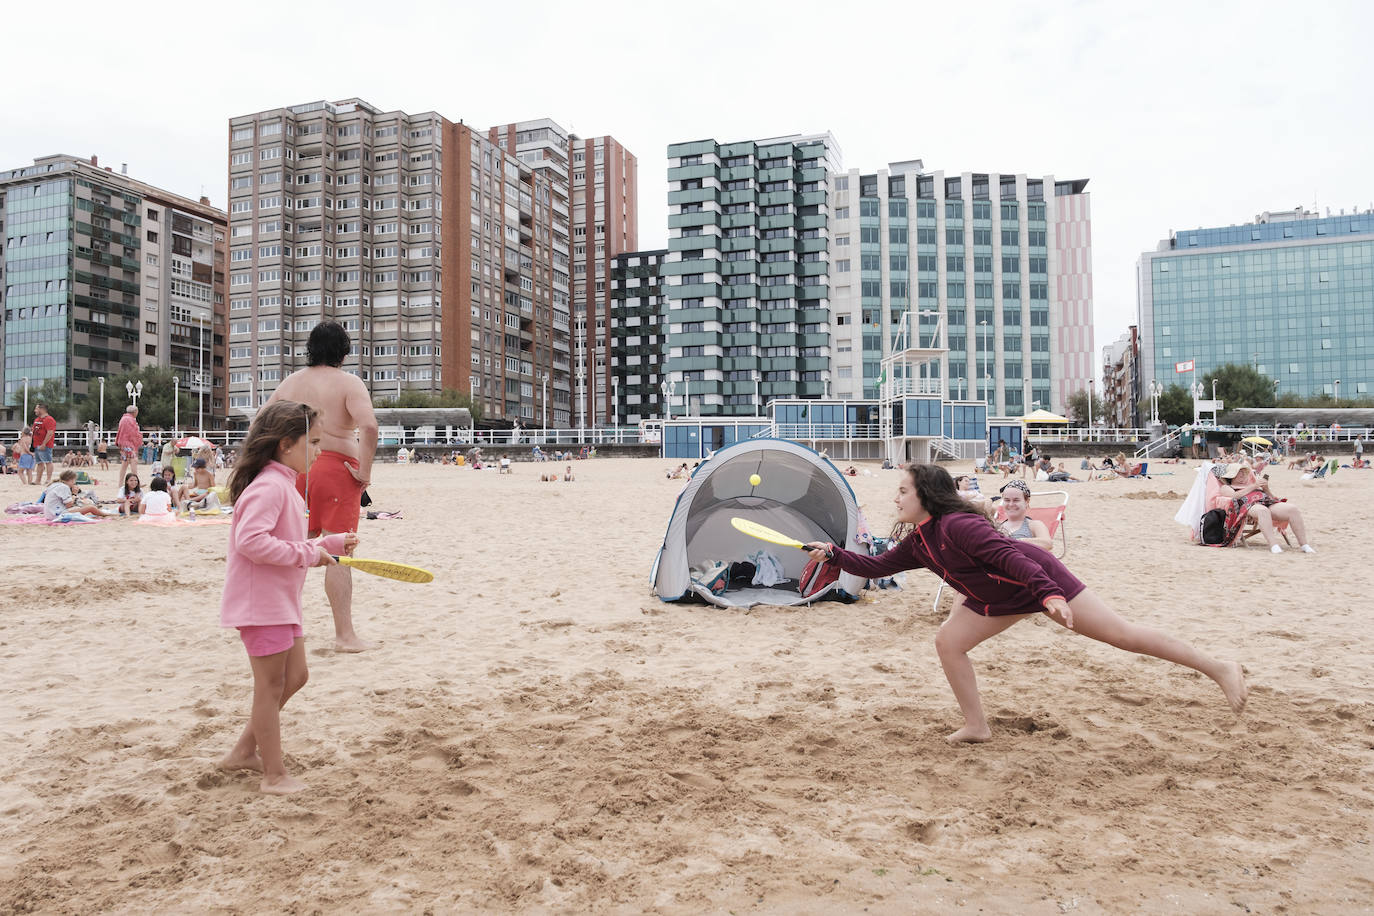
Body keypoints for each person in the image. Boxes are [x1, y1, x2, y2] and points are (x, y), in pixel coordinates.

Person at [804, 463, 1247, 743]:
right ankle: (977, 726)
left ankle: (1218, 668)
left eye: (903, 490)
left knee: (1122, 636)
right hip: (991, 599)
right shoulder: (921, 540)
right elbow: (877, 566)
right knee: (948, 643)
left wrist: (1050, 594)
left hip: (1035, 580)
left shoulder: (959, 525)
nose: (895, 497)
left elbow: (1010, 556)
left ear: (926, 496)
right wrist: (833, 555)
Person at [216, 400, 358, 794]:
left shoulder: (284, 484)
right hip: (259, 604)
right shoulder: (268, 487)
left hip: (279, 602)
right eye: (312, 442)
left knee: (296, 676)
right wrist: (311, 554)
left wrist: (328, 542)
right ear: (285, 444)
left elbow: (287, 540)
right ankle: (273, 775)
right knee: (270, 687)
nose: (318, 451)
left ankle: (244, 751)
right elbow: (251, 542)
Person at [267, 320, 379, 652]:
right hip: (336, 469)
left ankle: (279, 627)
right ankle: (344, 635)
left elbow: (261, 419)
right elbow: (369, 426)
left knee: (294, 548)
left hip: (296, 467)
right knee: (338, 550)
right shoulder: (348, 382)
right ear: (344, 352)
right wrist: (365, 473)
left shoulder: (291, 382)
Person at [1213, 463, 1314, 553]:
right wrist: (1254, 486)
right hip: (1249, 506)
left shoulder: (1252, 484)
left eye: (1244, 472)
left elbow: (1271, 497)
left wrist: (1266, 488)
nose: (1243, 474)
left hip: (1267, 502)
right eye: (1240, 472)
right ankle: (1274, 545)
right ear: (1232, 475)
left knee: (1292, 509)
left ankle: (1304, 545)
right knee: (1262, 511)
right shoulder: (1226, 487)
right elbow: (1235, 496)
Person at [995, 480, 1053, 550]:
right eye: (1007, 500)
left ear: (1027, 502)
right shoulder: (998, 525)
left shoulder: (1034, 525)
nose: (1011, 504)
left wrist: (1016, 541)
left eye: (1016, 500)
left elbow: (1047, 543)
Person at [43, 470, 111, 520]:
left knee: (79, 508)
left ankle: (102, 513)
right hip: (56, 515)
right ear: (72, 480)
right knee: (91, 508)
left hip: (49, 514)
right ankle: (105, 514)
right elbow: (69, 505)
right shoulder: (64, 487)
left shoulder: (55, 485)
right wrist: (74, 494)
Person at [116, 405, 143, 486]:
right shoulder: (130, 420)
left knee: (125, 463)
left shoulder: (123, 419)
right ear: (135, 412)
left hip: (123, 444)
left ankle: (120, 483)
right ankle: (136, 482)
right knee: (133, 461)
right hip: (129, 444)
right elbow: (133, 433)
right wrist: (139, 438)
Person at [31, 402, 56, 489]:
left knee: (48, 461)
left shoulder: (49, 419)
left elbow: (50, 433)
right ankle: (38, 480)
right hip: (36, 444)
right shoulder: (37, 420)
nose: (35, 411)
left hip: (45, 444)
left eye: (36, 409)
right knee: (39, 463)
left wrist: (44, 443)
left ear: (42, 409)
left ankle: (48, 479)